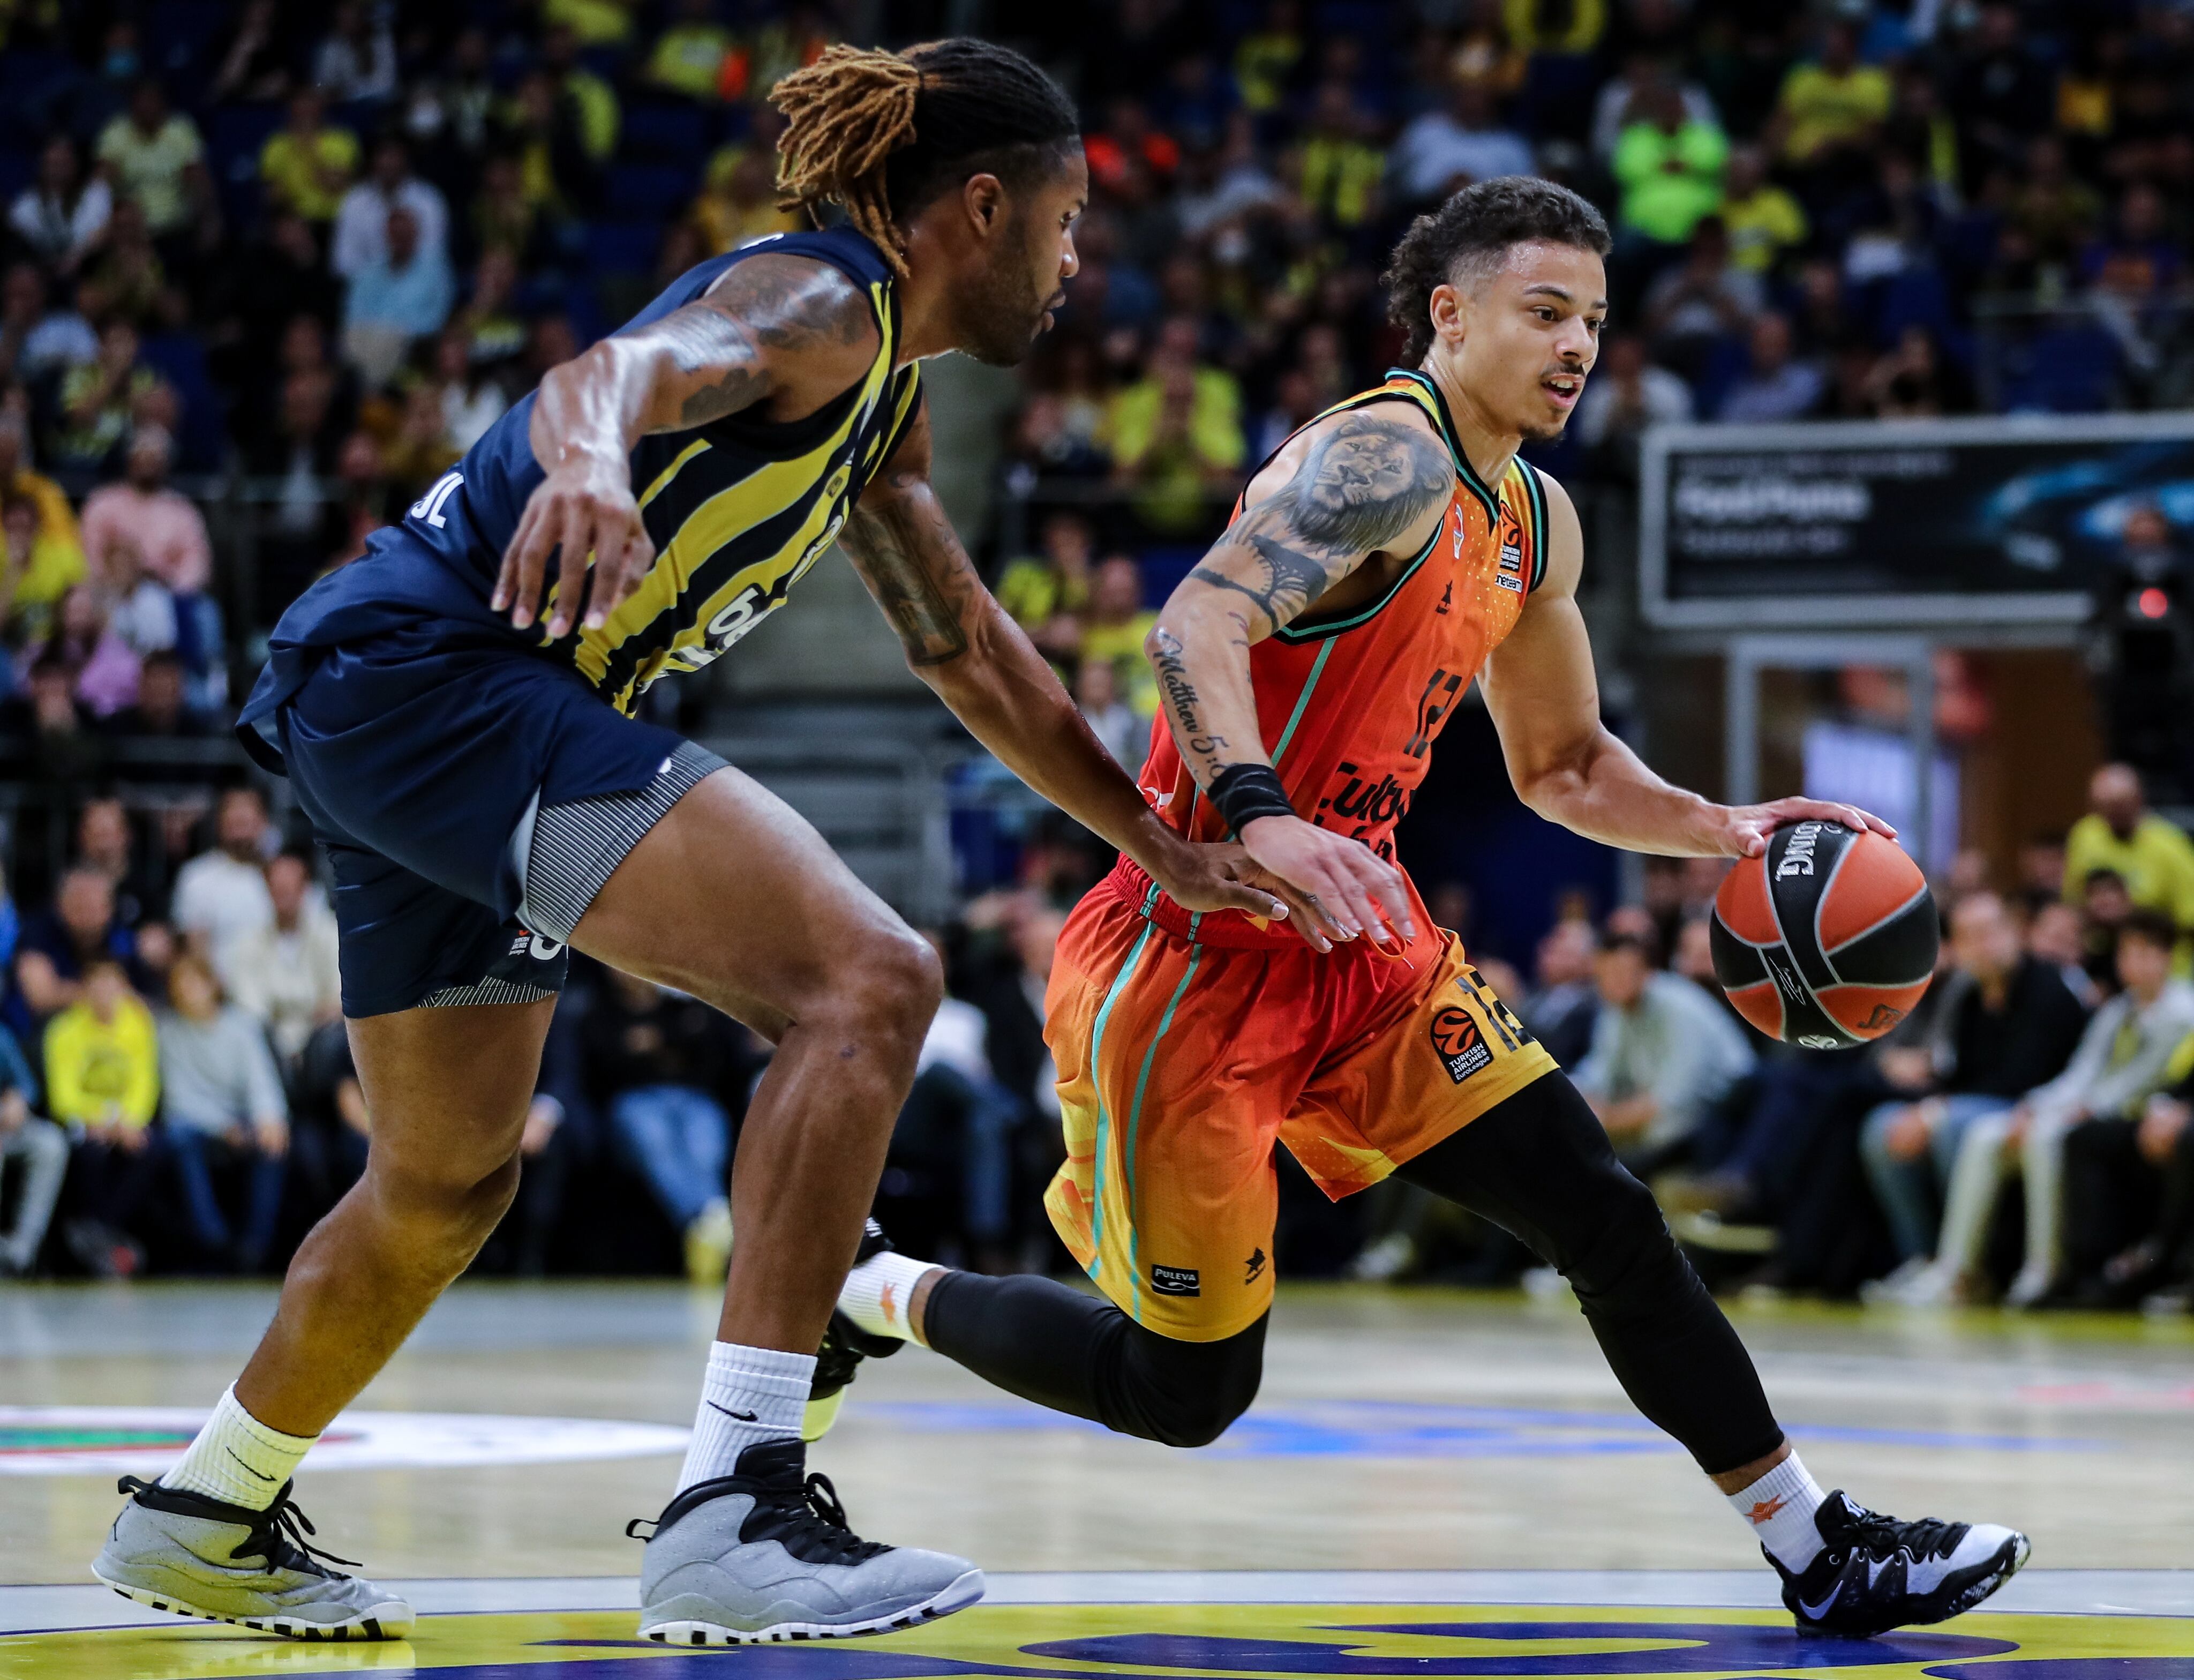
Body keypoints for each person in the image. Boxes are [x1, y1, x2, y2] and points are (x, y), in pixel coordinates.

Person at [99, 39, 1275, 1648]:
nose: (1078, 266)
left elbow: (972, 653)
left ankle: (208, 1505)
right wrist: (586, 466)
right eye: (1066, 224)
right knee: (871, 981)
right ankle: (738, 1500)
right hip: (444, 680)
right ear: (982, 206)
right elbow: (604, 377)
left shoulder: (882, 409)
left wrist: (1153, 837)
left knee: (446, 1180)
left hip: (394, 709)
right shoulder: (822, 303)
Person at [817, 177, 2026, 1642]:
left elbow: (1566, 766)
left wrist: (1724, 827)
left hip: (1370, 957)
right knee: (1183, 1393)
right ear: (1449, 316)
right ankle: (870, 1287)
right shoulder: (1379, 459)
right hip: (1193, 957)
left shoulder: (1536, 518)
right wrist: (1261, 812)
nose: (1578, 345)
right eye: (1544, 312)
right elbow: (1195, 621)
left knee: (1605, 1214)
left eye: (1593, 318)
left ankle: (1816, 1546)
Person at [1913, 909, 2194, 1307]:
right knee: (1986, 1133)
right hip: (2084, 1109)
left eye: (2146, 953)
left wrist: (2080, 1109)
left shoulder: (2183, 1013)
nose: (2133, 964)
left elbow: (2144, 1080)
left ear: (2168, 958)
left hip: (2134, 1115)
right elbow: (2082, 1071)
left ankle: (2044, 1268)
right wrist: (2035, 1105)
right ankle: (1956, 1269)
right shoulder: (2118, 1011)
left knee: (2043, 1139)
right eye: (2127, 953)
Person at [1859, 891, 2090, 1300]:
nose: (1981, 946)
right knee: (1882, 1127)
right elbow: (1960, 1074)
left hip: (2035, 1109)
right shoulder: (1968, 997)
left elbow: (2022, 1079)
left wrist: (1933, 1113)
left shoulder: (2048, 989)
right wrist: (1927, 1094)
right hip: (1978, 1104)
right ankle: (1924, 1257)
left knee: (1954, 1127)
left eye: (1989, 932)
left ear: (2014, 932)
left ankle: (1971, 1267)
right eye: (1968, 937)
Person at [1574, 927, 1754, 1172]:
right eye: (1606, 975)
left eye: (1623, 972)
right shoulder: (1616, 1012)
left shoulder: (1679, 1007)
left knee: (1617, 1166)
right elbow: (1596, 1075)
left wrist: (1606, 1118)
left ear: (1648, 971)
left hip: (1732, 1106)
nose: (1614, 982)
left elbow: (1673, 1098)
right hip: (1676, 1113)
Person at [157, 952, 292, 1273]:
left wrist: (270, 1118)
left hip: (242, 1119)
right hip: (198, 1125)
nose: (186, 991)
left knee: (273, 1144)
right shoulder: (168, 1034)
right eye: (179, 984)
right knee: (179, 1139)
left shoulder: (242, 1027)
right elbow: (179, 1100)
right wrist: (223, 1128)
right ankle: (212, 1241)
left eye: (194, 982)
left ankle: (253, 1250)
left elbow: (261, 1082)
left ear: (212, 985)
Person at [220, 850, 342, 1071]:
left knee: (338, 1040)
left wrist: (289, 1011)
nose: (284, 895)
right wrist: (310, 1010)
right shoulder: (248, 943)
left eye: (290, 888)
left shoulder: (329, 933)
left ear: (305, 889)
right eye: (278, 889)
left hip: (323, 1038)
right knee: (249, 1038)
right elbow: (252, 1009)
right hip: (271, 1042)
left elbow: (338, 998)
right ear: (267, 890)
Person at [2062, 764, 2194, 961]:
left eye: (2119, 804)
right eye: (2102, 805)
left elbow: (2189, 919)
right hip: (2100, 960)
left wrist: (2134, 918)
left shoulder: (2171, 846)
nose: (2111, 813)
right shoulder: (2085, 835)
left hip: (2162, 966)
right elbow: (2072, 901)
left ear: (2139, 800)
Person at [170, 788, 276, 965]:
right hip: (218, 988)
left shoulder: (286, 875)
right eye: (234, 816)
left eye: (247, 818)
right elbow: (195, 953)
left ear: (264, 822)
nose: (241, 819)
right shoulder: (197, 877)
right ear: (219, 822)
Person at [0, 1022, 65, 1275]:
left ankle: (20, 1254)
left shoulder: (2, 1036)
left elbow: (27, 1086)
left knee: (51, 1144)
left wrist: (18, 1099)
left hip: (5, 1126)